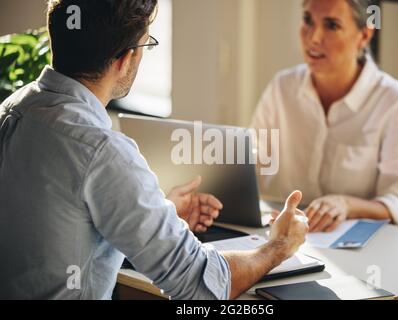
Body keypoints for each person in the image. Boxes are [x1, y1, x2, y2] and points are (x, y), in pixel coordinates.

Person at [0, 0, 309, 300]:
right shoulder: (101, 151)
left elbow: (55, 233)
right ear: (127, 59)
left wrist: (158, 217)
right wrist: (279, 245)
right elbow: (202, 287)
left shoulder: (11, 110)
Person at [251, 0, 398, 232]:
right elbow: (252, 164)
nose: (314, 38)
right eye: (307, 21)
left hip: (367, 246)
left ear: (364, 35)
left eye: (332, 25)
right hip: (293, 240)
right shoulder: (281, 87)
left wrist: (346, 204)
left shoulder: (396, 103)